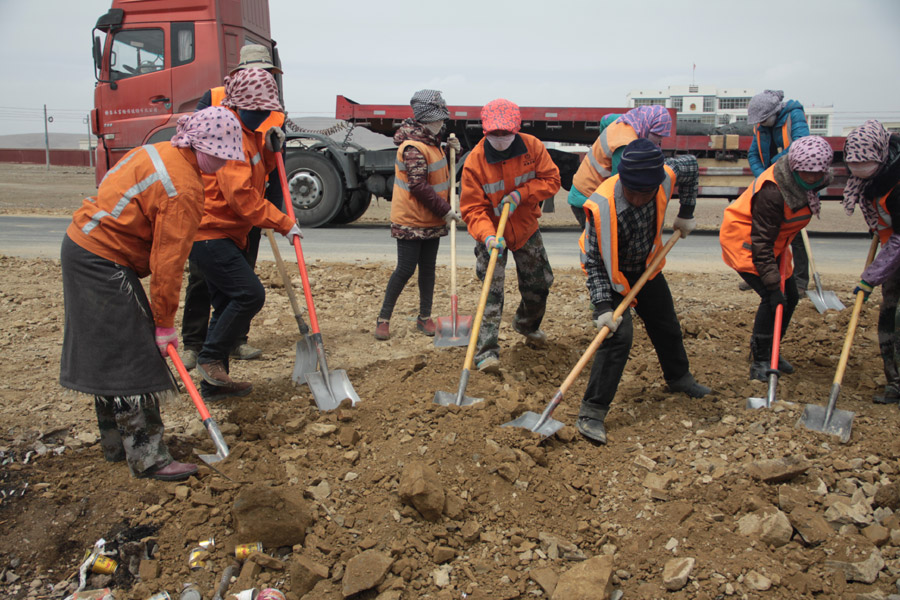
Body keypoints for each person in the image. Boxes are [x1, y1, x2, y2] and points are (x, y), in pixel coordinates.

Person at [59, 107, 244, 481]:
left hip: (85, 247)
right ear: (202, 145)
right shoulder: (184, 189)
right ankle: (149, 458)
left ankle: (115, 446)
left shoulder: (159, 150)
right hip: (102, 258)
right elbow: (168, 265)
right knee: (134, 356)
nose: (224, 164)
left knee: (110, 350)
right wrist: (163, 324)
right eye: (221, 156)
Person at [575, 139, 710, 444]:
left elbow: (689, 165)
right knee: (616, 337)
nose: (637, 198)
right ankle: (592, 412)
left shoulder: (663, 176)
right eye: (632, 191)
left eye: (644, 193)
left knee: (666, 323)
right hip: (610, 275)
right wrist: (603, 308)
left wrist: (686, 211)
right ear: (623, 180)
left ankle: (679, 378)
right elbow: (595, 262)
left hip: (646, 266)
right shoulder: (601, 206)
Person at [190, 67, 302, 401]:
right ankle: (209, 358)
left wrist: (270, 149)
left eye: (267, 112)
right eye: (257, 111)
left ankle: (214, 386)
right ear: (239, 104)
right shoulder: (227, 130)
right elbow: (241, 197)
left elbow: (260, 172)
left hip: (227, 232)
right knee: (249, 294)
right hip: (209, 232)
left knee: (225, 303)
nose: (262, 116)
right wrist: (282, 222)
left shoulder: (249, 130)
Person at [181, 44, 287, 368]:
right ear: (238, 74)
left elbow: (271, 165)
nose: (262, 76)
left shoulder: (274, 108)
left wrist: (275, 213)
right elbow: (210, 158)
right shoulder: (215, 103)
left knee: (238, 282)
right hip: (214, 213)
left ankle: (232, 342)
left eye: (267, 72)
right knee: (208, 280)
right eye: (255, 71)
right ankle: (195, 344)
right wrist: (279, 220)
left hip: (249, 210)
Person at [459, 98, 561, 373]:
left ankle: (526, 324)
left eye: (506, 133)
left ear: (516, 129)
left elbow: (552, 180)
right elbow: (472, 208)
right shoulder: (475, 162)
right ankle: (487, 352)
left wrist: (522, 194)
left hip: (526, 228)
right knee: (491, 292)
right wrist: (488, 237)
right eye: (495, 133)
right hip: (492, 235)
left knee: (539, 283)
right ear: (485, 131)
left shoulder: (533, 147)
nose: (501, 138)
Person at [720, 136, 833, 381]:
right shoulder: (773, 192)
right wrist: (771, 284)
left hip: (775, 244)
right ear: (794, 167)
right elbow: (761, 243)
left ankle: (772, 350)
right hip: (747, 242)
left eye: (817, 174)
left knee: (790, 297)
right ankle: (761, 359)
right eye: (806, 173)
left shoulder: (811, 183)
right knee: (773, 299)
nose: (812, 178)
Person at [374, 90, 462, 340]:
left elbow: (438, 173)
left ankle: (425, 317)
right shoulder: (413, 147)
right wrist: (446, 210)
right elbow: (419, 186)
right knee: (404, 269)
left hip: (431, 219)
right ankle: (383, 318)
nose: (442, 123)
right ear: (426, 120)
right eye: (438, 119)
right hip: (411, 220)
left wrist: (453, 148)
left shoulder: (432, 143)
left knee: (428, 269)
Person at [841, 120, 900, 404]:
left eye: (868, 172)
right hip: (893, 254)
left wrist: (870, 276)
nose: (862, 179)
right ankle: (896, 383)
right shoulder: (873, 182)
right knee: (888, 315)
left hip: (895, 250)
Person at [746, 90, 812, 293]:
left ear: (774, 112)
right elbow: (753, 154)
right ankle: (763, 275)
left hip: (794, 183)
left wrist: (775, 167)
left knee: (795, 234)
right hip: (770, 184)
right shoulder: (760, 126)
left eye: (764, 119)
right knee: (767, 233)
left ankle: (800, 281)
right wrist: (763, 176)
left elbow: (800, 147)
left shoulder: (794, 116)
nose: (761, 123)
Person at [567, 106, 672, 228]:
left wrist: (604, 147)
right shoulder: (625, 144)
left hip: (586, 190)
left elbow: (604, 120)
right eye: (657, 135)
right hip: (587, 197)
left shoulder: (626, 120)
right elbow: (619, 187)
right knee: (604, 243)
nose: (659, 141)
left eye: (663, 136)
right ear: (647, 126)